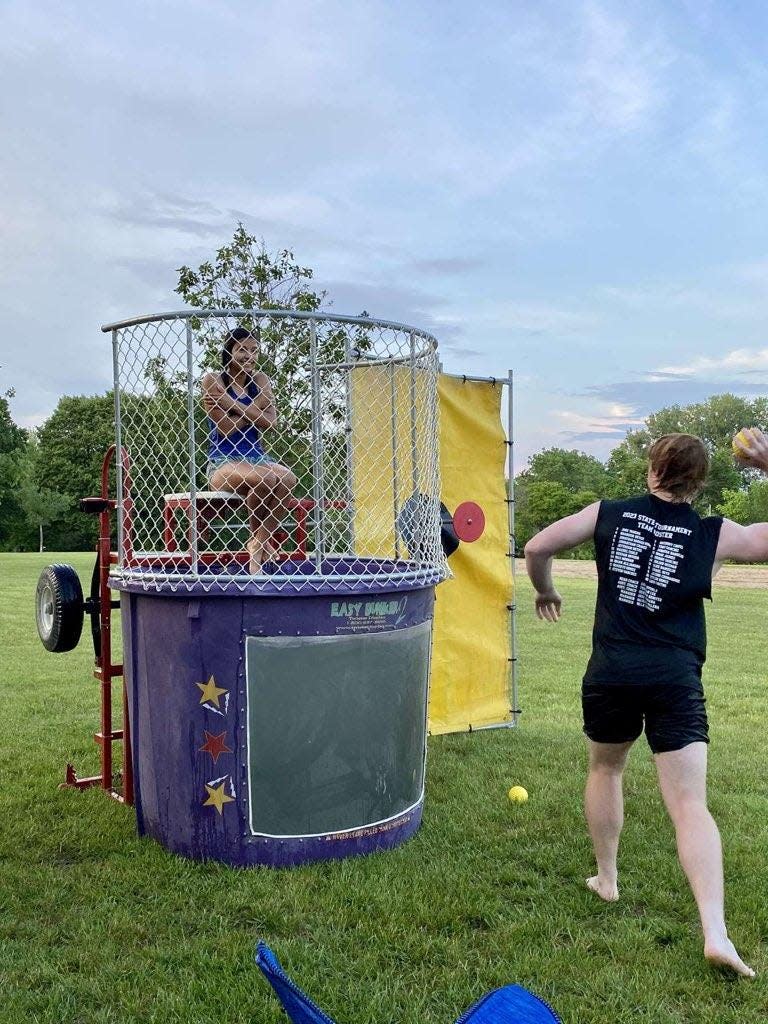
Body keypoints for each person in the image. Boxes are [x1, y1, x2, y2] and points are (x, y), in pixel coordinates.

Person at [524, 430, 768, 978]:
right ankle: (716, 932)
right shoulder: (715, 533)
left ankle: (606, 878)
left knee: (606, 767)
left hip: (611, 670)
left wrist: (545, 590)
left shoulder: (608, 512)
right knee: (689, 806)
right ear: (700, 481)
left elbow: (537, 546)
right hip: (673, 676)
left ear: (651, 471)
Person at [202, 327, 297, 573]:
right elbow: (224, 429)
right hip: (223, 460)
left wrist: (230, 403)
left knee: (287, 478)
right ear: (229, 351)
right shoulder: (213, 380)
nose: (249, 356)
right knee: (265, 478)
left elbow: (271, 423)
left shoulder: (260, 380)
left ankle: (259, 541)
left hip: (257, 456)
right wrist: (256, 410)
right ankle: (259, 546)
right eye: (242, 349)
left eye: (254, 351)